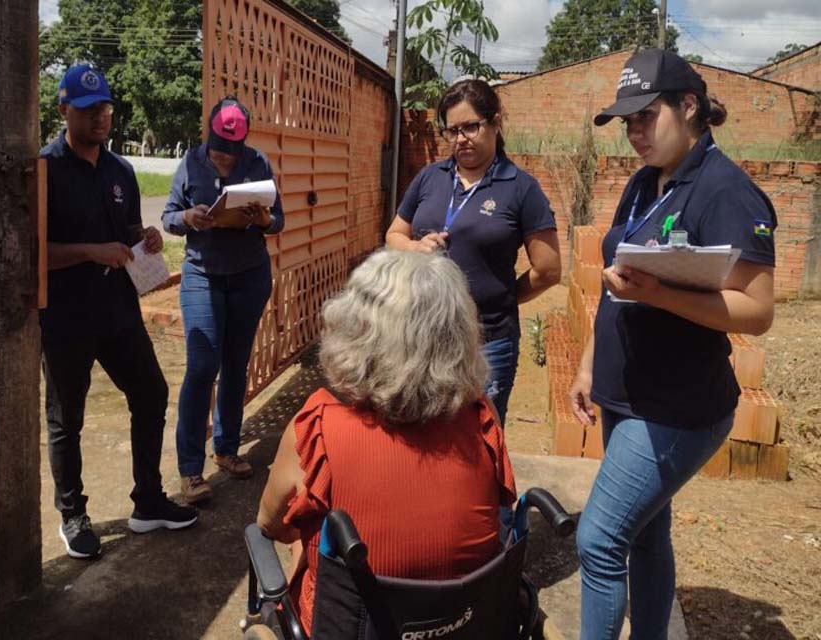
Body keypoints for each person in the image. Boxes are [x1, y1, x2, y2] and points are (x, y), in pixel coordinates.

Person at [568, 49, 776, 639]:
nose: (634, 133)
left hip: (677, 407)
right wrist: (589, 363)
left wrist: (659, 295)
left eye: (645, 117)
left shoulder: (726, 192)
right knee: (645, 533)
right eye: (627, 122)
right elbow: (616, 283)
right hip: (629, 392)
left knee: (601, 538)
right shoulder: (644, 183)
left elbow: (757, 311)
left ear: (689, 108)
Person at [256, 249, 518, 636]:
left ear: (355, 329)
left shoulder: (318, 427)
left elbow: (271, 524)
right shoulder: (481, 418)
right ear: (458, 335)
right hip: (463, 626)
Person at [40, 64, 198, 559]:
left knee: (150, 393)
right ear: (64, 110)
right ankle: (73, 513)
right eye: (89, 111)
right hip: (65, 317)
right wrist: (91, 250)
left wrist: (143, 238)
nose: (100, 119)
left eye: (106, 109)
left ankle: (147, 500)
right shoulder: (43, 170)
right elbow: (34, 255)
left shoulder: (121, 171)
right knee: (68, 418)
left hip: (118, 310)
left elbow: (127, 231)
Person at [386, 78, 561, 428]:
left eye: (470, 126)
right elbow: (393, 234)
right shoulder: (430, 178)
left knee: (479, 441)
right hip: (422, 334)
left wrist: (504, 298)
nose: (461, 138)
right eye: (452, 130)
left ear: (495, 123)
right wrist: (415, 247)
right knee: (422, 433)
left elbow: (548, 268)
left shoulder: (521, 188)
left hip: (486, 341)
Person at [162, 96, 284, 504]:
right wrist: (187, 218)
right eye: (219, 151)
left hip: (249, 275)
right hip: (202, 274)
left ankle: (227, 449)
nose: (225, 160)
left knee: (236, 363)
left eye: (232, 153)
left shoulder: (259, 163)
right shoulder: (191, 163)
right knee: (202, 365)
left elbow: (277, 219)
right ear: (209, 136)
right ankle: (190, 470)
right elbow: (168, 217)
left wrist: (263, 219)